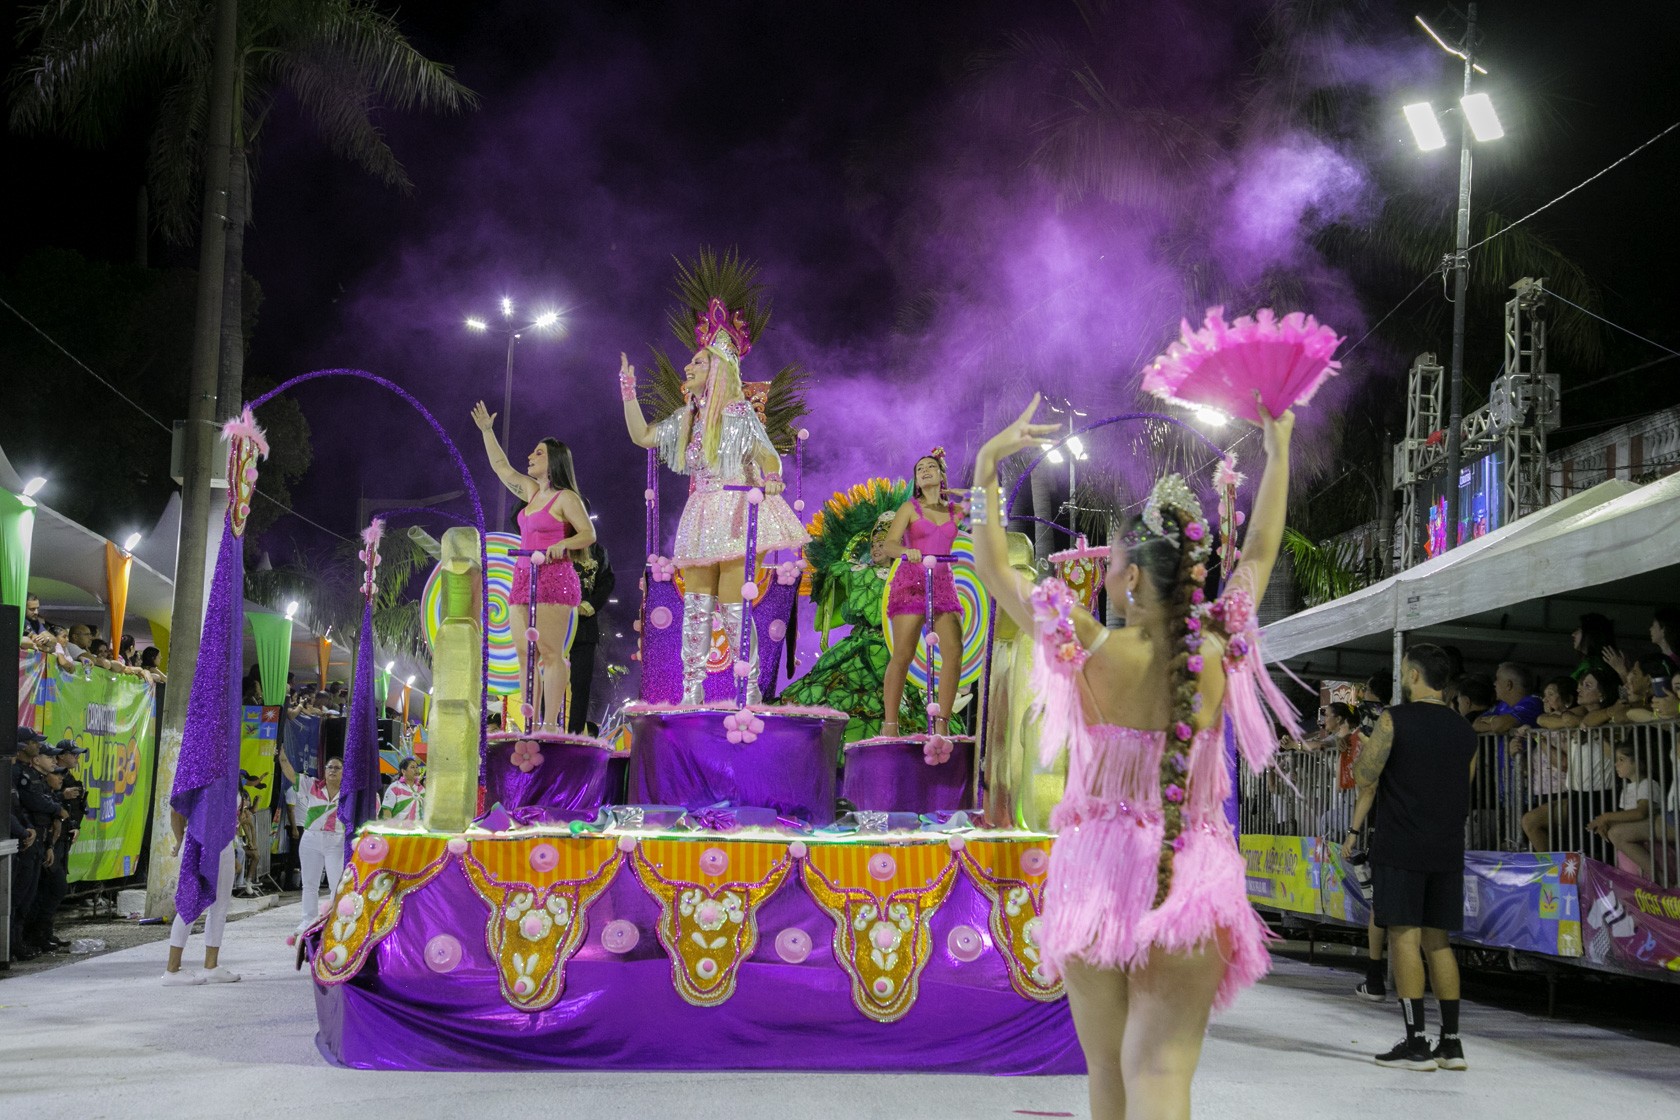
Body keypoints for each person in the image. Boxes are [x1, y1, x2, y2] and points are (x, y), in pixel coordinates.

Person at [971, 394, 1296, 1120]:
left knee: (1109, 1079)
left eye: (1113, 562)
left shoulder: (1089, 645)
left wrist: (988, 468)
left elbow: (995, 570)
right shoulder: (1222, 645)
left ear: (1132, 580)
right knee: (1162, 1074)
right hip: (1192, 868)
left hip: (1096, 872)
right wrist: (1279, 452)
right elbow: (1263, 550)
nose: (1107, 573)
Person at [618, 300, 809, 704]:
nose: (689, 368)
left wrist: (773, 479)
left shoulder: (739, 414)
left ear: (718, 369)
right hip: (701, 515)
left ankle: (750, 690)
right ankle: (692, 692)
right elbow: (643, 436)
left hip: (735, 511)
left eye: (699, 362)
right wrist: (628, 392)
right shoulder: (687, 416)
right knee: (697, 608)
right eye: (691, 363)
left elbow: (767, 454)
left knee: (733, 607)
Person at [1345, 644, 1477, 1072]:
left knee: (1404, 935)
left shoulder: (1393, 719)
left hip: (1402, 843)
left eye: (1405, 671)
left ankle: (1416, 1041)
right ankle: (1451, 1043)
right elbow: (1465, 789)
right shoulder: (1464, 730)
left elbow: (1364, 776)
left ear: (1415, 676)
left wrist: (1367, 746)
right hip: (1447, 845)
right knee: (1438, 941)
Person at [471, 402, 597, 730]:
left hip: (554, 578)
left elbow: (588, 534)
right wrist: (487, 432)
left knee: (551, 653)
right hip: (522, 577)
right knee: (525, 655)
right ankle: (529, 723)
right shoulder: (530, 493)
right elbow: (502, 468)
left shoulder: (566, 498)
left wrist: (562, 544)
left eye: (538, 453)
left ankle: (551, 724)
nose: (531, 456)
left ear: (553, 460)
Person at [877, 449, 966, 738]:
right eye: (920, 469)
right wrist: (907, 551)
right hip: (911, 583)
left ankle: (942, 722)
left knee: (954, 652)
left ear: (941, 476)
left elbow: (991, 504)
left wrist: (955, 491)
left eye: (932, 467)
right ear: (916, 480)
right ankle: (891, 724)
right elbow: (889, 545)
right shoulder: (909, 508)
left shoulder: (956, 510)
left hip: (943, 584)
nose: (925, 470)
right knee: (903, 653)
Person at [161, 810, 240, 985]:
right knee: (189, 904)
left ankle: (211, 966)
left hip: (225, 844)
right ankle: (172, 969)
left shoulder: (233, 782)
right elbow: (176, 809)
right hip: (198, 842)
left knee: (220, 907)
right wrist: (180, 838)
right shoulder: (201, 780)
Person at [278, 753, 344, 937]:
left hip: (336, 840)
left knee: (336, 884)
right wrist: (283, 756)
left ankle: (334, 919)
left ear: (344, 772)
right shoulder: (313, 785)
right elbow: (291, 775)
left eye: (337, 768)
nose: (332, 771)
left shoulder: (348, 793)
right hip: (311, 839)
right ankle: (308, 920)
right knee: (309, 884)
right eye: (330, 767)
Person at [10, 728, 56, 961]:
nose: (37, 746)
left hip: (31, 838)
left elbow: (20, 809)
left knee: (27, 896)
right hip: (21, 843)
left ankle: (18, 943)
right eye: (33, 743)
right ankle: (12, 945)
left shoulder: (26, 773)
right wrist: (23, 831)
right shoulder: (15, 773)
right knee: (18, 897)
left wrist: (30, 831)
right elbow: (18, 807)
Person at [1593, 743, 1663, 878]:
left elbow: (1640, 813)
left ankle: (1659, 877)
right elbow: (1624, 817)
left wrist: (1607, 817)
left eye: (1621, 760)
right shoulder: (1626, 789)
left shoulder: (1648, 784)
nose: (1616, 764)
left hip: (1647, 846)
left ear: (1637, 762)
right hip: (1628, 848)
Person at [569, 535, 615, 734]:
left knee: (581, 683)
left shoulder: (598, 551)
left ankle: (575, 733)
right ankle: (546, 727)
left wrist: (591, 605)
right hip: (553, 621)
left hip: (584, 624)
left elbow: (607, 581)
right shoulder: (552, 542)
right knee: (546, 679)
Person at [380, 757, 425, 822]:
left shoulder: (421, 789)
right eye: (412, 767)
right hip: (399, 829)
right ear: (403, 771)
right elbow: (386, 810)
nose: (416, 770)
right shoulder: (395, 787)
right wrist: (390, 827)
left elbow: (427, 810)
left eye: (417, 767)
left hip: (417, 829)